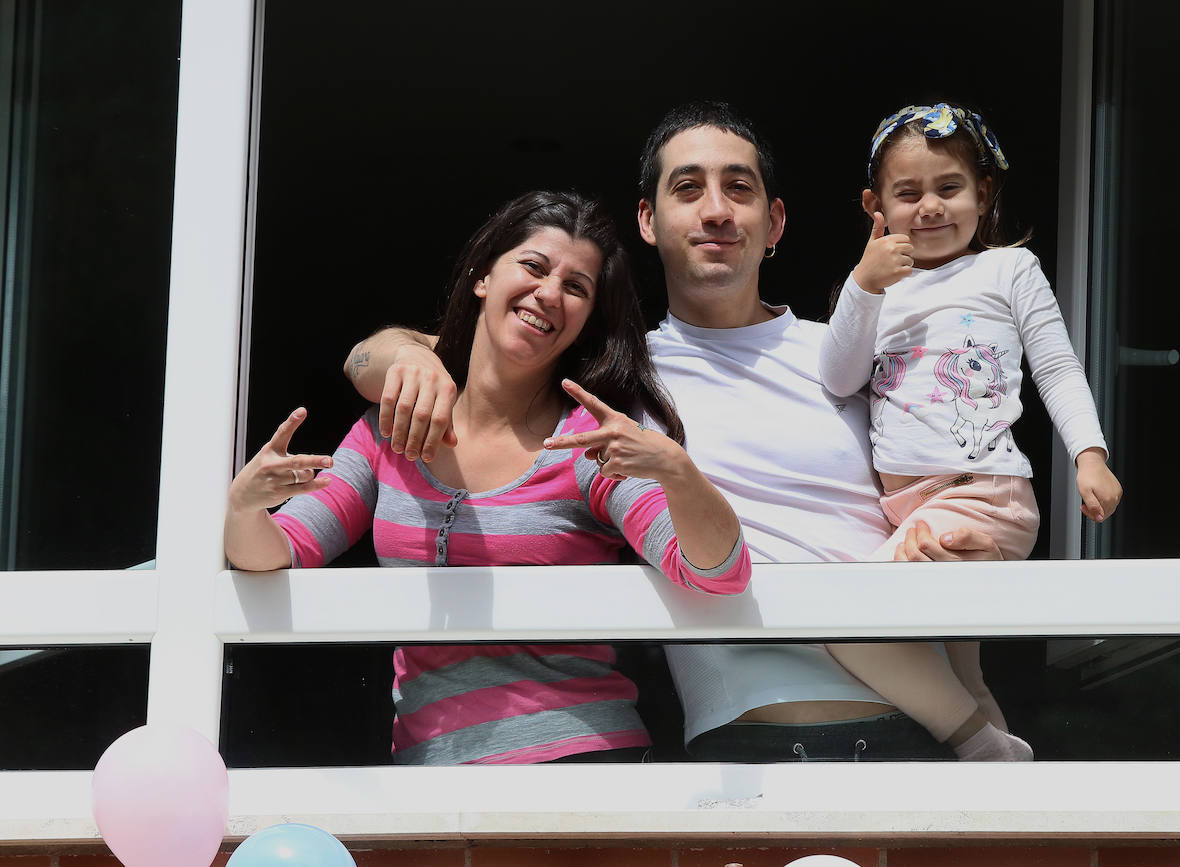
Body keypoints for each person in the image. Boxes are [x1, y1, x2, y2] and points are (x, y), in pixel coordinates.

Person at [348, 103, 1021, 763]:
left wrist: (972, 551)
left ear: (774, 221)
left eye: (739, 188)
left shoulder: (855, 350)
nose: (717, 210)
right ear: (648, 219)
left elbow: (955, 477)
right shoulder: (614, 375)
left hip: (918, 736)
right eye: (689, 188)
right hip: (743, 753)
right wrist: (408, 357)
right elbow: (410, 356)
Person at [223, 189, 750, 765]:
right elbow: (278, 553)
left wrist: (678, 471)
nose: (549, 293)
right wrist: (246, 507)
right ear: (482, 276)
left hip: (582, 771)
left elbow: (717, 572)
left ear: (585, 321)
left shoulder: (585, 445)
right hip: (430, 782)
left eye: (576, 287)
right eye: (534, 266)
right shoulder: (389, 430)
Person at [816, 102, 1123, 761]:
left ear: (983, 195)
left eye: (949, 187)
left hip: (980, 497)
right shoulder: (876, 290)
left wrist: (1090, 456)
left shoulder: (1007, 269)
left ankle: (980, 749)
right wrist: (862, 286)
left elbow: (1058, 366)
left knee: (841, 611)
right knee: (961, 677)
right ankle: (1006, 782)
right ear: (875, 206)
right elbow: (838, 378)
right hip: (911, 509)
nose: (930, 206)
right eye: (908, 193)